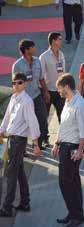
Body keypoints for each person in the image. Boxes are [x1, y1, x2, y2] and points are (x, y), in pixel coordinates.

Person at [0, 72, 41, 217]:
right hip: (12, 139)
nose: (16, 85)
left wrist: (35, 144)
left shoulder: (27, 101)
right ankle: (25, 202)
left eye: (19, 83)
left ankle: (7, 207)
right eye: (14, 83)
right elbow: (7, 116)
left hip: (19, 141)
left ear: (25, 84)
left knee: (11, 173)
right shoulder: (14, 97)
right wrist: (1, 131)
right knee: (18, 171)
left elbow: (32, 122)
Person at [52, 74, 84, 227]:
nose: (58, 91)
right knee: (72, 182)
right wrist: (56, 143)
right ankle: (74, 213)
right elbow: (63, 126)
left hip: (73, 149)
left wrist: (80, 150)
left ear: (66, 86)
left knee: (65, 182)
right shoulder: (67, 101)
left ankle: (76, 216)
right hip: (65, 146)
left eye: (59, 88)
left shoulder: (80, 105)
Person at [12, 39, 49, 148]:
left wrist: (46, 93)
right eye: (33, 47)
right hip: (24, 98)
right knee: (23, 124)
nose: (35, 49)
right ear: (27, 49)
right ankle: (23, 149)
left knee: (42, 119)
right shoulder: (17, 65)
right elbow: (15, 84)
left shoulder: (37, 61)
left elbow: (41, 79)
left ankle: (38, 144)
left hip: (37, 96)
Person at [39, 32, 65, 123]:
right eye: (60, 39)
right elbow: (40, 76)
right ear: (53, 41)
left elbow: (63, 72)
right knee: (44, 116)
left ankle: (63, 136)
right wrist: (45, 92)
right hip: (48, 91)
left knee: (62, 116)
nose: (62, 41)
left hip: (60, 91)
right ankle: (43, 136)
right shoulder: (44, 57)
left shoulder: (61, 54)